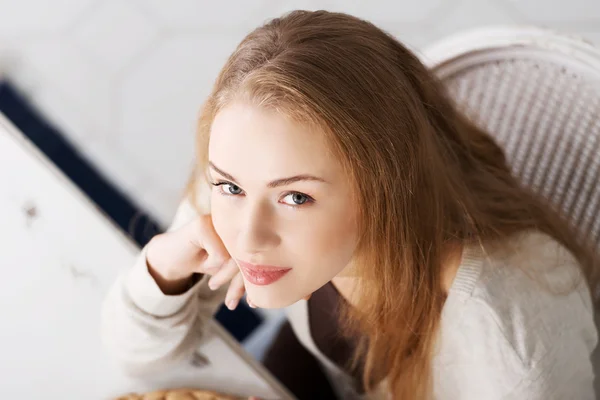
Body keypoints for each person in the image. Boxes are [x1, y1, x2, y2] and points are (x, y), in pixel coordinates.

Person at [101, 10, 600, 400]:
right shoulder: (244, 176)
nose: (246, 237)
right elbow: (141, 358)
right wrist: (165, 270)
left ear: (387, 185)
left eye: (296, 197)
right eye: (228, 186)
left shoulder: (507, 325)